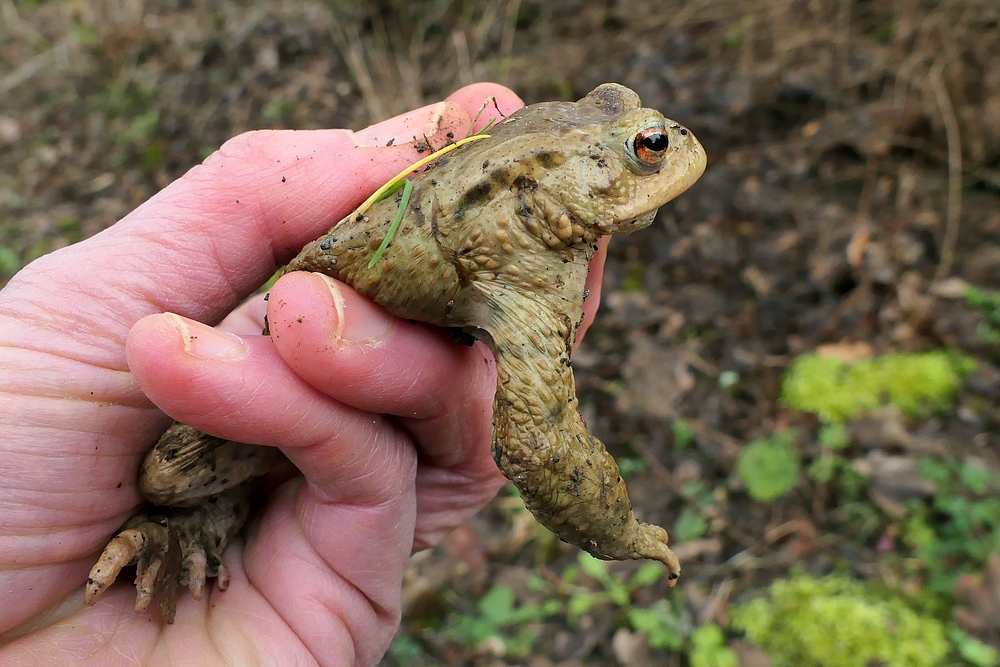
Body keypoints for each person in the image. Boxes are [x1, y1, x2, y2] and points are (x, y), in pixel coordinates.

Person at [0, 82, 609, 665]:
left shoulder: (537, 262)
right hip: (276, 361)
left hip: (344, 430)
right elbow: (539, 442)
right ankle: (200, 518)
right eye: (646, 149)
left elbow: (540, 437)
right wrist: (622, 532)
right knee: (170, 473)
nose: (666, 150)